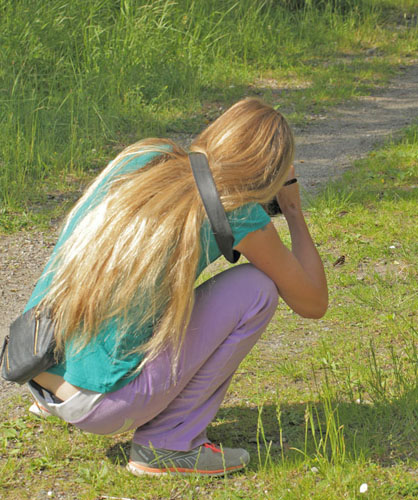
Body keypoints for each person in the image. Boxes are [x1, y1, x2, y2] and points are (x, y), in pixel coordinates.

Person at [26, 98, 328, 477]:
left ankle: (56, 392)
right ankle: (168, 444)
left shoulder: (143, 157)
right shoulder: (237, 212)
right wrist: (294, 211)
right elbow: (313, 302)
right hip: (97, 405)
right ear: (269, 173)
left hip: (35, 360)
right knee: (258, 288)